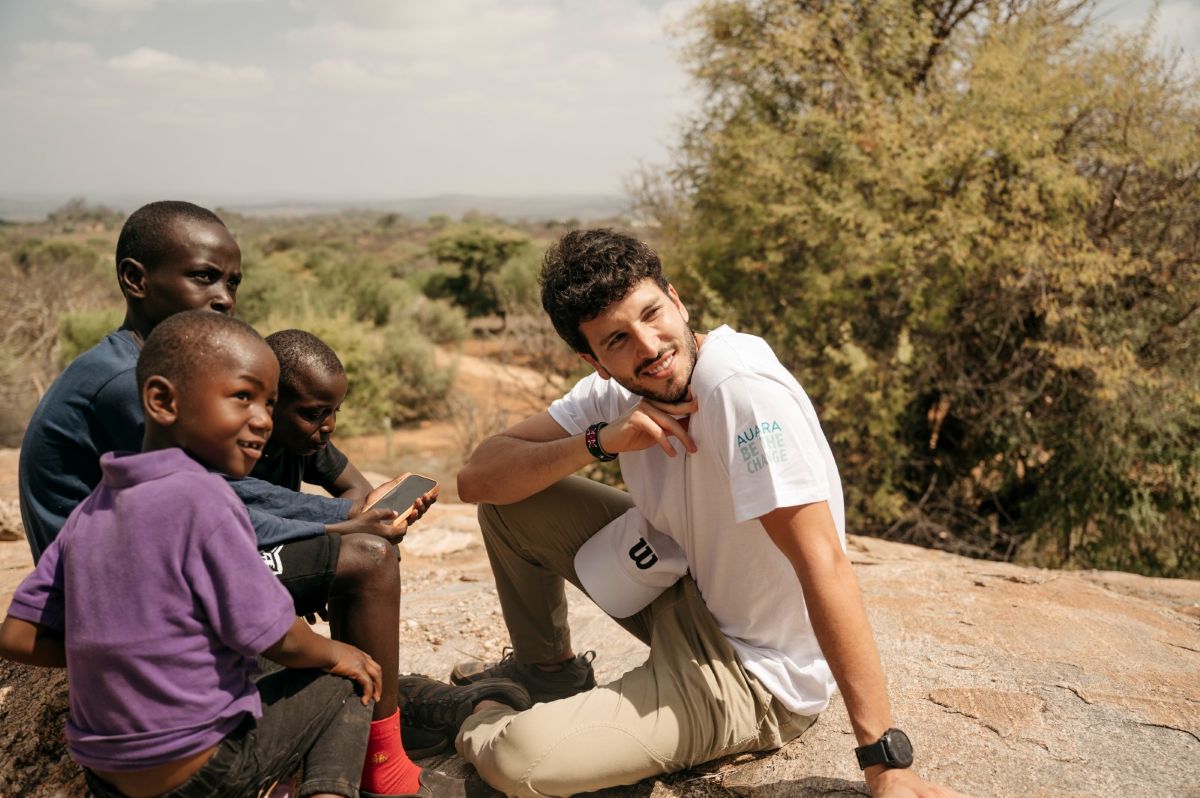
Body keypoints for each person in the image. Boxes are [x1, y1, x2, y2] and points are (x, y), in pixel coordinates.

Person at [398, 229, 966, 798]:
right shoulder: (615, 394)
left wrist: (884, 760)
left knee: (518, 760)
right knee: (512, 505)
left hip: (750, 672)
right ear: (592, 359)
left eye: (652, 313)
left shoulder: (740, 393)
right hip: (678, 583)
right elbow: (478, 479)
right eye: (618, 338)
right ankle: (548, 673)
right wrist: (598, 442)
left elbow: (824, 563)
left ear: (677, 299)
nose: (648, 346)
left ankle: (483, 708)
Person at [14, 201, 526, 794]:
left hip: (130, 616)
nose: (225, 296)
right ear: (135, 279)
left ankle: (391, 712)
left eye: (232, 281)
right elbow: (215, 505)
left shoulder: (168, 373)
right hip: (143, 587)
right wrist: (342, 522)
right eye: (204, 276)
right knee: (366, 560)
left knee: (343, 581)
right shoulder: (129, 384)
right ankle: (381, 762)